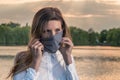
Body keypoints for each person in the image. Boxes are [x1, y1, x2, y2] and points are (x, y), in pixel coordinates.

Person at [7, 7, 79, 80]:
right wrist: (35, 62)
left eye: (57, 30)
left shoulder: (66, 58)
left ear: (62, 30)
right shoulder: (22, 58)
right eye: (47, 31)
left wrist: (67, 57)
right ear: (38, 32)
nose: (53, 36)